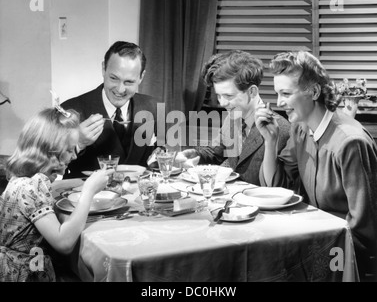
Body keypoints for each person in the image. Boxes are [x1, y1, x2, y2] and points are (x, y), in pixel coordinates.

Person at [255, 50, 377, 280]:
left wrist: (313, 256)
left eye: (286, 93)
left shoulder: (351, 142)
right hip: (316, 240)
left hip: (347, 257)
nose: (279, 103)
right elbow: (277, 189)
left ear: (313, 92)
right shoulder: (300, 128)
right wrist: (270, 142)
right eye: (277, 93)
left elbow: (364, 231)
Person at [0, 107, 113, 281]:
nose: (73, 157)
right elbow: (64, 243)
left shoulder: (21, 179)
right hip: (26, 274)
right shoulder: (32, 186)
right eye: (69, 150)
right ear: (49, 152)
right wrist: (88, 191)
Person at [175, 50, 291, 185]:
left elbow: (280, 186)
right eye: (218, 96)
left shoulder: (280, 129)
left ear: (252, 91)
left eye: (229, 96)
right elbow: (216, 152)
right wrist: (196, 155)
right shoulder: (232, 118)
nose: (222, 103)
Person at [61, 41, 160, 178]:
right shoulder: (69, 110)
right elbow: (50, 169)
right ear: (103, 69)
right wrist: (78, 143)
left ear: (141, 77)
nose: (120, 89)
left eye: (129, 82)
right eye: (114, 78)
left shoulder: (154, 107)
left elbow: (165, 156)